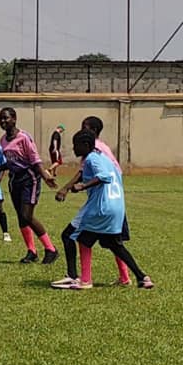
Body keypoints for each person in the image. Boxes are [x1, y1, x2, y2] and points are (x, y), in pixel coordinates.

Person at [51, 130, 154, 291]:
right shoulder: (106, 158)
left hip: (101, 208)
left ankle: (80, 279)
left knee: (72, 236)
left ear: (85, 145)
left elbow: (105, 176)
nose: (73, 149)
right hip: (117, 208)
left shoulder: (92, 158)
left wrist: (82, 186)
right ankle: (142, 277)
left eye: (75, 145)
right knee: (113, 244)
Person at [54, 116, 131, 286]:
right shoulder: (97, 149)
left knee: (78, 236)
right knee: (114, 241)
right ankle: (126, 277)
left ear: (94, 132)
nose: (81, 131)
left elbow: (96, 174)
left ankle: (80, 277)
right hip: (114, 200)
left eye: (85, 127)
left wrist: (69, 188)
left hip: (103, 202)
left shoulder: (96, 151)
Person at [0, 107, 59, 264]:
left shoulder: (24, 138)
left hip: (29, 178)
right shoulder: (3, 140)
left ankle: (51, 249)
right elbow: (10, 162)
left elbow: (35, 159)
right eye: (0, 119)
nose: (3, 121)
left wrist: (44, 175)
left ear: (14, 119)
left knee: (26, 215)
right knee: (21, 217)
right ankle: (31, 251)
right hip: (14, 180)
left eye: (6, 118)